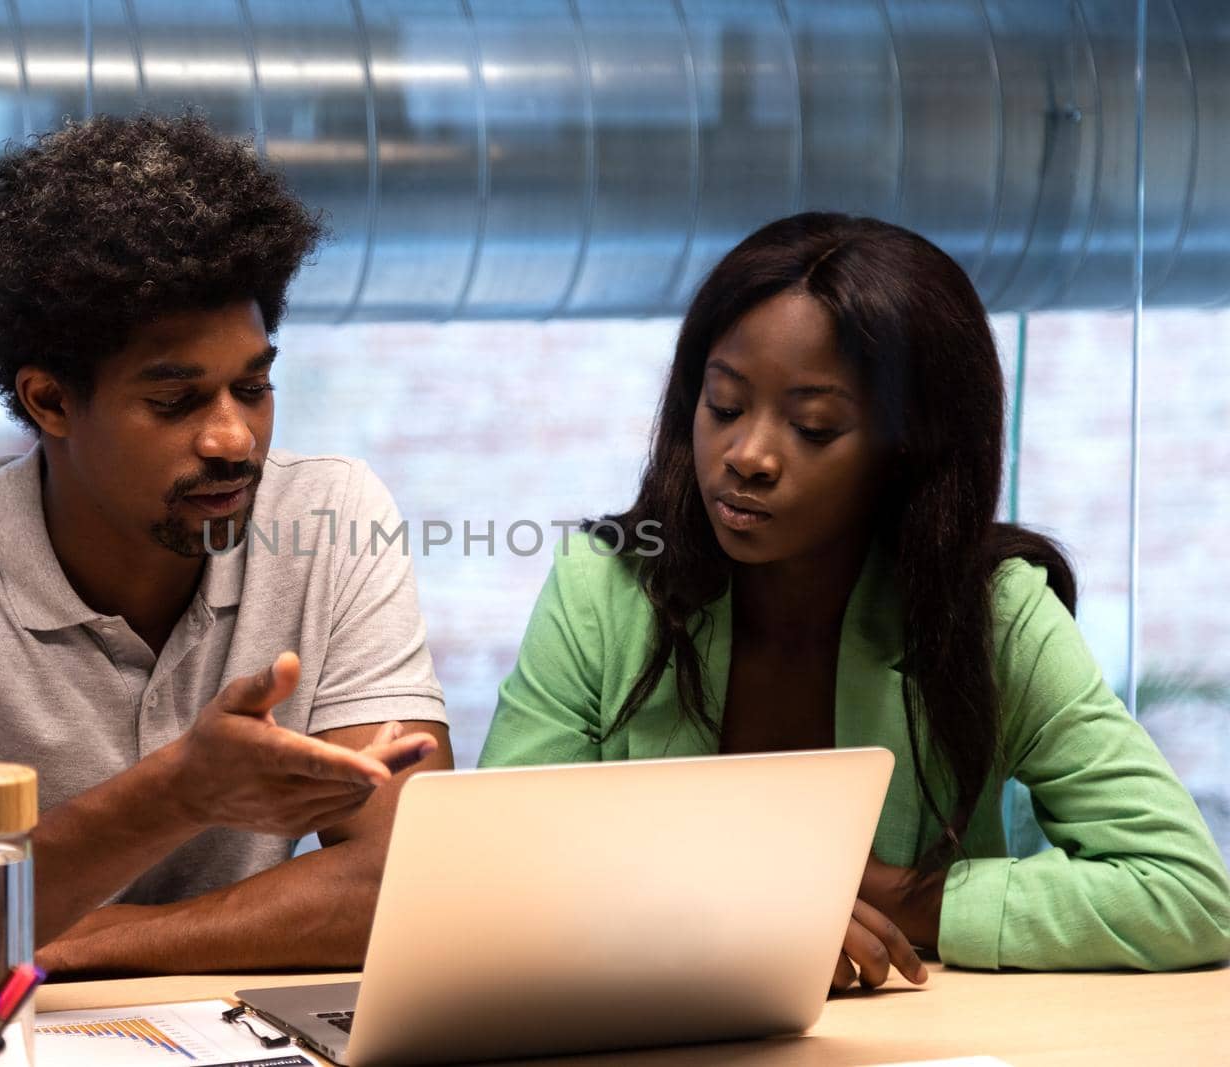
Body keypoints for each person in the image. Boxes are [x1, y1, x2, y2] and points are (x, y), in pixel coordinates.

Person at [479, 212, 1230, 989]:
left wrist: (901, 898)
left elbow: (1188, 892)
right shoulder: (605, 588)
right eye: (725, 406)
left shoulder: (991, 614)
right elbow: (494, 874)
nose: (748, 456)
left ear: (908, 451)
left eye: (813, 426)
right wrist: (740, 914)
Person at [0, 113, 451, 1006]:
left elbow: (409, 884)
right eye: (177, 399)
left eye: (255, 386)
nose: (234, 438)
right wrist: (178, 792)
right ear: (49, 401)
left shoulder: (332, 516)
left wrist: (63, 946)